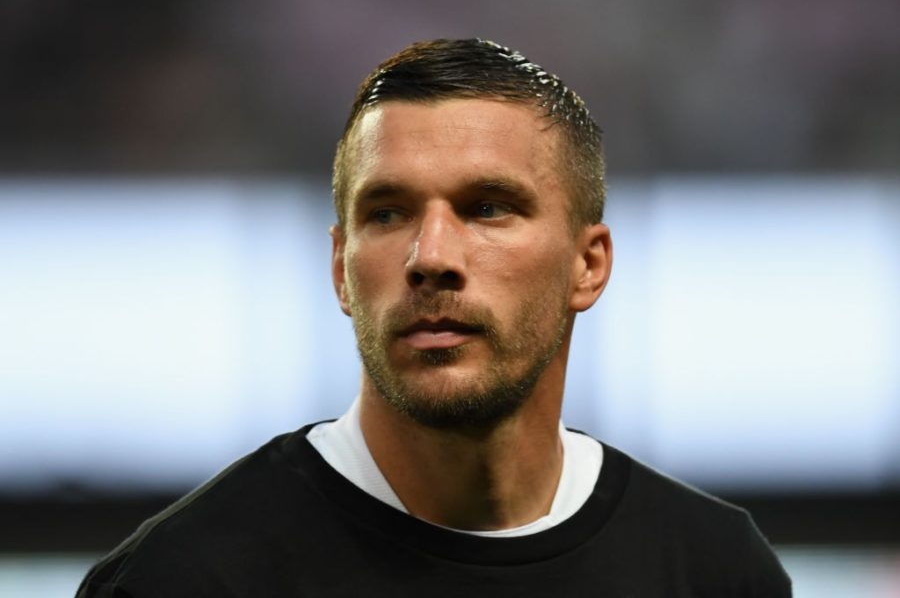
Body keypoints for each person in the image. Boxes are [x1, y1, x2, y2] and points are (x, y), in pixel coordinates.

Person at [78, 38, 791, 597]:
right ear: (341, 271)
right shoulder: (179, 581)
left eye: (487, 207)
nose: (430, 256)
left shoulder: (716, 572)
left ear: (589, 265)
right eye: (387, 214)